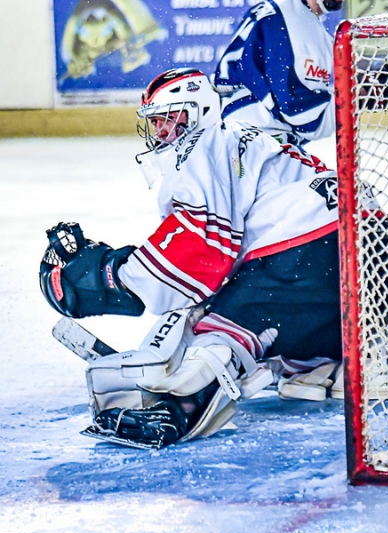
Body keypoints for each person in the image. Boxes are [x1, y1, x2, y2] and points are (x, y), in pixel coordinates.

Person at [40, 68, 346, 449]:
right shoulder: (242, 137)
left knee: (219, 337)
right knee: (276, 320)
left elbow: (197, 253)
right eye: (156, 123)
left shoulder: (202, 146)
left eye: (170, 119)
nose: (163, 132)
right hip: (360, 254)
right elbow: (216, 264)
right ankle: (330, 355)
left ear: (197, 113)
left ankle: (180, 406)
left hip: (307, 254)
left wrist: (103, 279)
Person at [212, 0, 342, 146]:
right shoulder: (297, 21)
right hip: (260, 140)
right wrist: (353, 99)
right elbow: (301, 114)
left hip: (234, 132)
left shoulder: (274, 9)